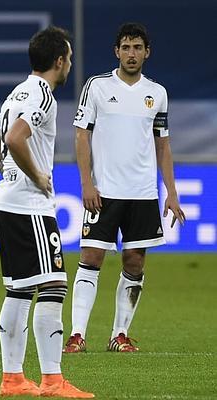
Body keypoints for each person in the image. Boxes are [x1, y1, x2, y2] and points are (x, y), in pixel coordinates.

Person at [0, 26, 93, 398]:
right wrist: (36, 176)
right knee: (55, 285)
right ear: (59, 61)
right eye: (69, 59)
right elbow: (14, 138)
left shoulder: (17, 92)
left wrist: (9, 174)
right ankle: (52, 381)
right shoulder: (43, 94)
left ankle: (12, 379)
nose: (70, 65)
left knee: (18, 291)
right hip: (30, 206)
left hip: (7, 201)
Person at [64, 22, 185, 354]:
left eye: (138, 48)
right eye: (126, 47)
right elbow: (81, 134)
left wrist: (170, 191)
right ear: (117, 52)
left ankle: (119, 335)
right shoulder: (98, 87)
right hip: (104, 191)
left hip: (143, 193)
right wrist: (87, 182)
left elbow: (163, 144)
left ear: (147, 52)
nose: (132, 54)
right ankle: (77, 335)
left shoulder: (156, 93)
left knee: (134, 262)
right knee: (91, 257)